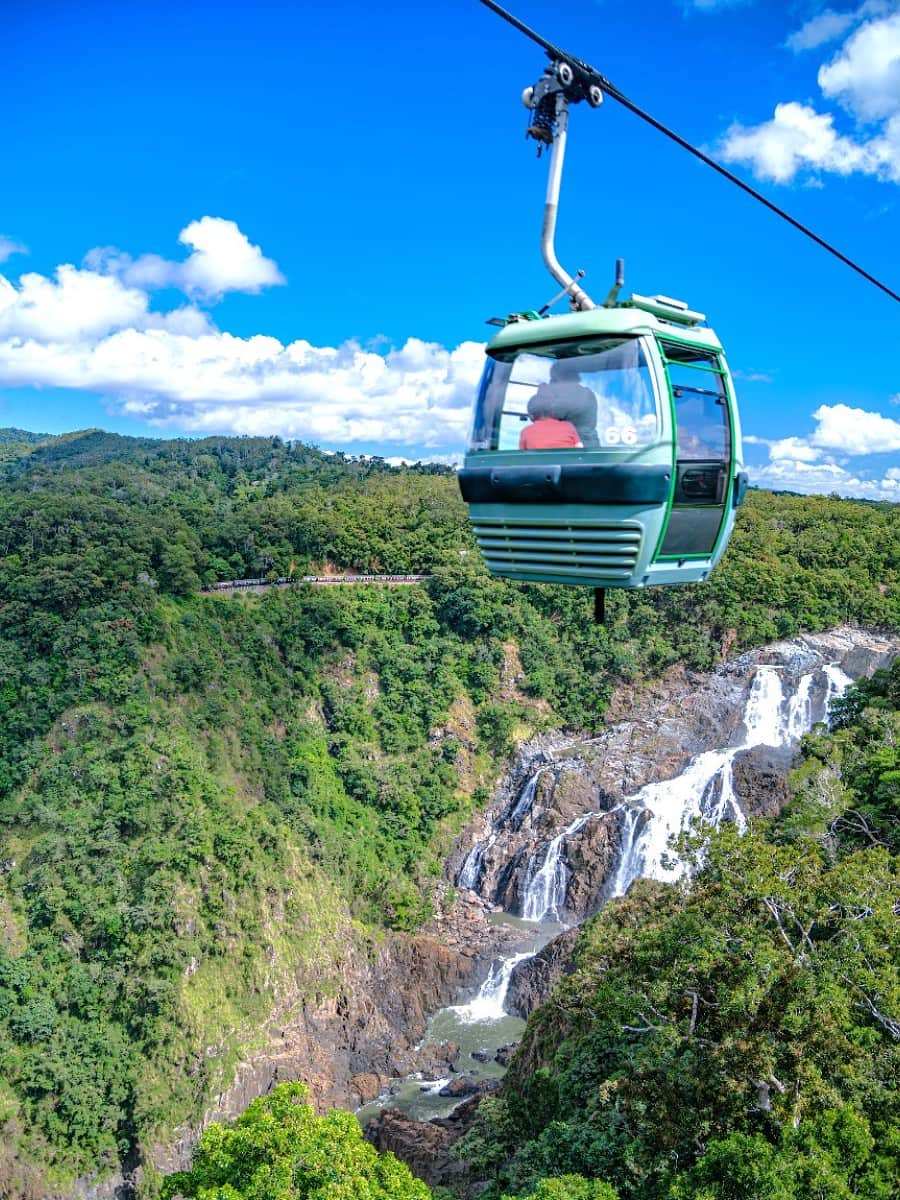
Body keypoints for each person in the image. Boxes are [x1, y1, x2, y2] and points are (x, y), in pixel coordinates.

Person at [531, 359, 600, 448]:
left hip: (578, 451)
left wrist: (542, 394)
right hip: (585, 448)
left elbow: (542, 415)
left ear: (561, 377)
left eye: (554, 379)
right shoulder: (586, 393)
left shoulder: (572, 395)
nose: (552, 383)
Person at [519, 393, 583, 450]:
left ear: (531, 416)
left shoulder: (526, 431)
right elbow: (579, 448)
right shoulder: (568, 426)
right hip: (566, 462)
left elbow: (522, 456)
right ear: (553, 412)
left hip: (539, 462)